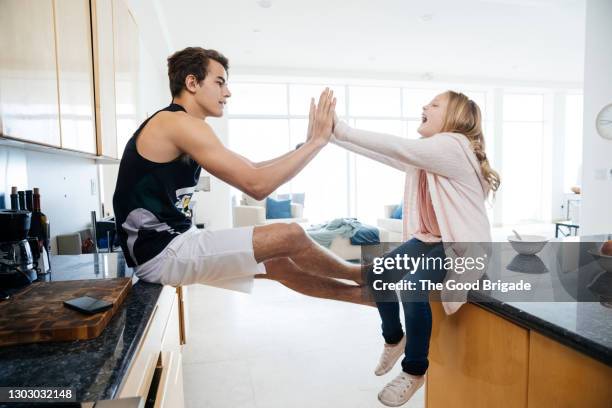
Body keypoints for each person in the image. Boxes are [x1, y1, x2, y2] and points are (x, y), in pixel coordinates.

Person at [113, 46, 367, 305]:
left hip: (176, 242)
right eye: (219, 82)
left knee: (278, 263)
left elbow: (254, 168)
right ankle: (361, 274)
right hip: (161, 254)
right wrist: (317, 143)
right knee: (290, 234)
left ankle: (367, 297)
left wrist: (307, 144)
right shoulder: (176, 123)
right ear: (192, 82)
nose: (227, 92)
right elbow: (257, 185)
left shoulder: (183, 124)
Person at [331, 91, 500, 406]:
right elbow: (388, 154)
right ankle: (394, 339)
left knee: (412, 286)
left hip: (460, 246)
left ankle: (414, 370)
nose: (425, 106)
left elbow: (397, 147)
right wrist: (331, 136)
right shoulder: (431, 154)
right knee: (377, 274)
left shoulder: (453, 145)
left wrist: (341, 130)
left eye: (434, 105)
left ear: (455, 119)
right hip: (431, 239)